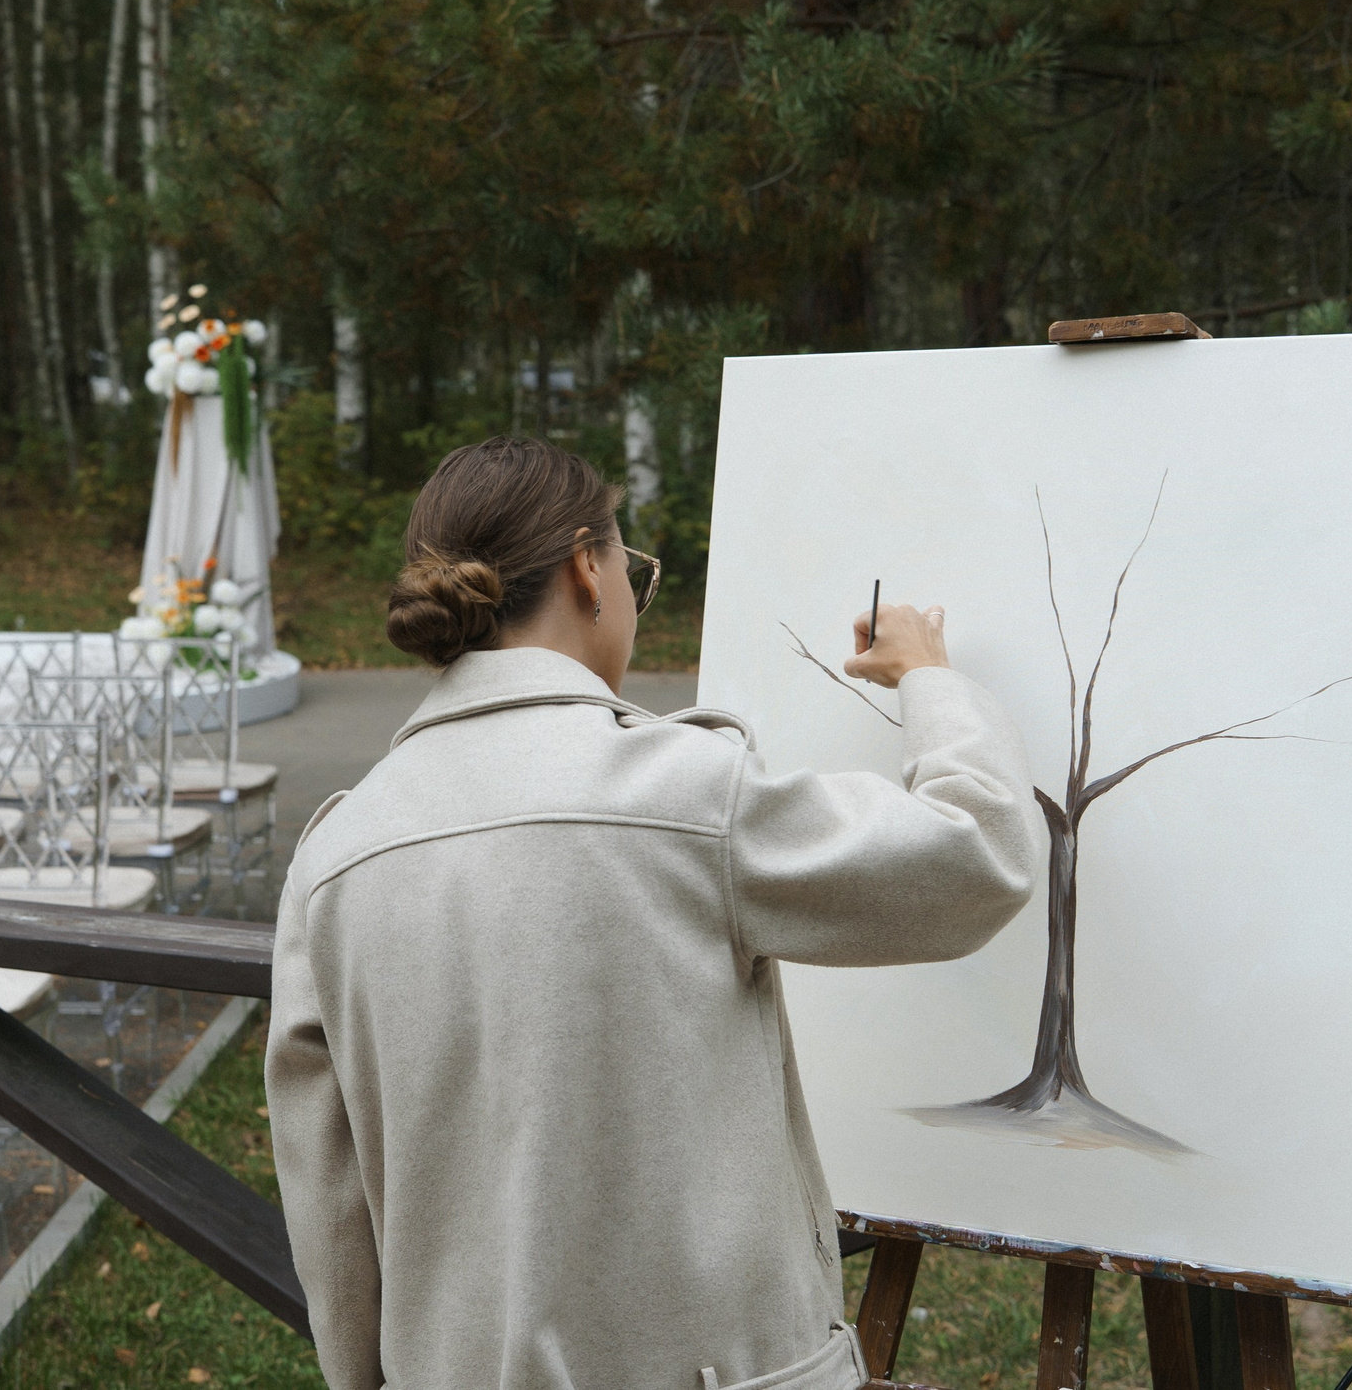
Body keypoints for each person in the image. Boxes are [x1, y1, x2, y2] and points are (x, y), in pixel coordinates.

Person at [266, 435, 1042, 1390]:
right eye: (635, 572)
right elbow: (980, 852)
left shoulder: (337, 853)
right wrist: (930, 674)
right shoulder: (681, 794)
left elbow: (327, 1194)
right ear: (587, 568)